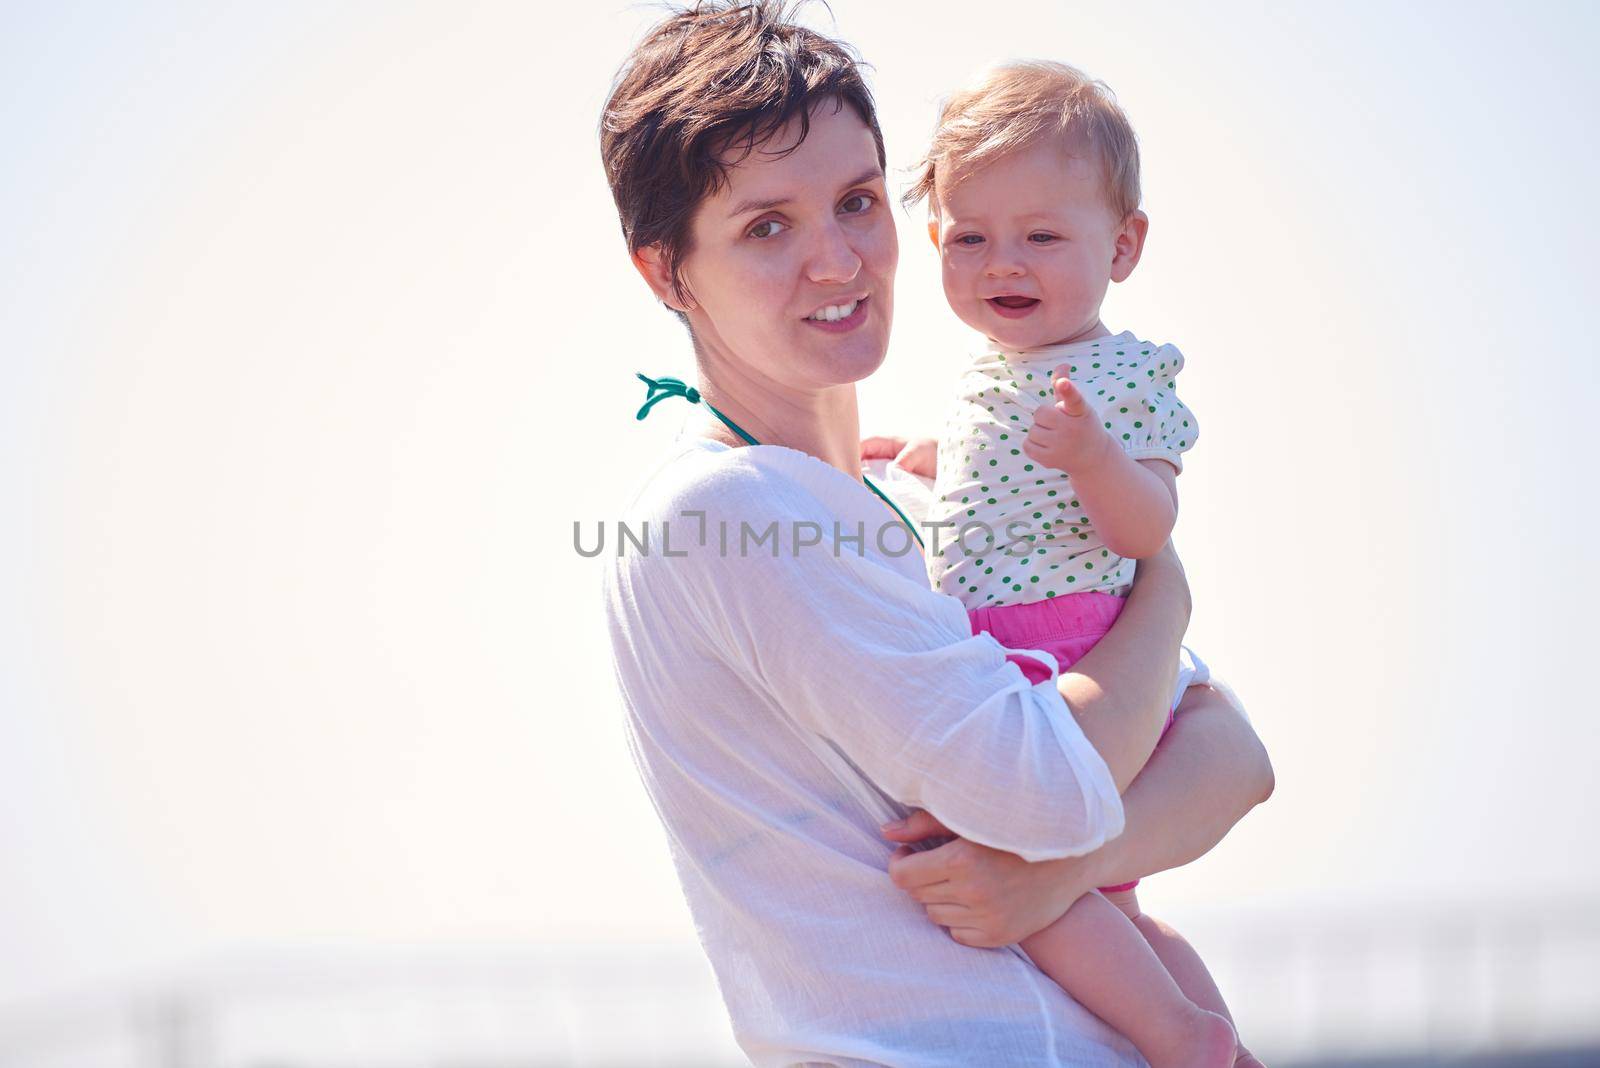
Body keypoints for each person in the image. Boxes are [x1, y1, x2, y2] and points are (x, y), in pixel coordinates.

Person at [598, 3, 1274, 1064]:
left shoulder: (923, 499)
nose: (836, 261)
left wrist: (1049, 876)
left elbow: (1232, 758)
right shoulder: (721, 514)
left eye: (857, 202)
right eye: (766, 226)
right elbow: (1048, 788)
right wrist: (1167, 590)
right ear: (664, 271)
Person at [861, 59, 1253, 1067]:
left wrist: (1095, 460)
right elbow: (998, 469)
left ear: (1121, 247)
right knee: (1105, 896)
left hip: (1070, 640)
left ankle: (1174, 1033)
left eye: (1042, 236)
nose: (1006, 262)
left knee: (1017, 873)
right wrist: (926, 458)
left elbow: (1143, 525)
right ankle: (1218, 1040)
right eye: (971, 237)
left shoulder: (1119, 376)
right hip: (1023, 639)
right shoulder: (991, 375)